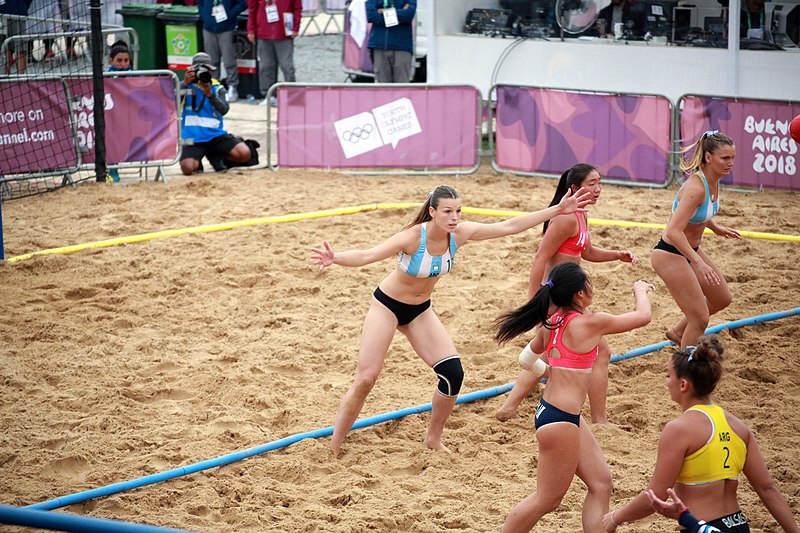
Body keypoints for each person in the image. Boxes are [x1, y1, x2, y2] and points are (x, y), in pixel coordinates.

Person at [311, 185, 593, 458]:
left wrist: (558, 209)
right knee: (367, 377)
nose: (454, 217)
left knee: (453, 374)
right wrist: (335, 258)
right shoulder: (412, 237)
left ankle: (433, 439)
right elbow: (368, 254)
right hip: (387, 307)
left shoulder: (459, 234)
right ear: (432, 212)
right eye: (447, 211)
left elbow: (509, 226)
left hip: (420, 311)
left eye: (458, 211)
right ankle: (335, 444)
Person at [493, 262, 653, 532]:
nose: (592, 285)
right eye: (588, 282)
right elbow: (643, 316)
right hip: (561, 420)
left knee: (601, 483)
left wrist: (551, 373)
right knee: (547, 499)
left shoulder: (551, 323)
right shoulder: (591, 322)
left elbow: (525, 359)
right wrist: (640, 290)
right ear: (580, 294)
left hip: (557, 413)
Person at [602, 336, 800, 533]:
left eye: (668, 375)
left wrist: (615, 517)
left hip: (704, 528)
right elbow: (767, 489)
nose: (666, 381)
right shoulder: (738, 426)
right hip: (738, 526)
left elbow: (655, 496)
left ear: (683, 385)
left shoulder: (679, 429)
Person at [495, 164, 637, 425]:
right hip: (557, 299)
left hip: (570, 299)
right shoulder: (566, 218)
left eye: (599, 182)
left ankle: (509, 406)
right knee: (598, 351)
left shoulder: (580, 214)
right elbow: (540, 257)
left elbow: (587, 252)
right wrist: (533, 300)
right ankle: (599, 419)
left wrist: (617, 255)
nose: (598, 189)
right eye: (591, 184)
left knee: (552, 352)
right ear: (573, 188)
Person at [651, 131, 740, 349]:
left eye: (733, 158)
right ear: (708, 158)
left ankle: (678, 331)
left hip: (690, 250)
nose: (731, 163)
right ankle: (685, 370)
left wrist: (715, 228)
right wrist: (697, 262)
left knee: (722, 299)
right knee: (700, 318)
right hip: (670, 253)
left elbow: (698, 214)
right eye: (725, 158)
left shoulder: (713, 181)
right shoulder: (696, 188)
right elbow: (673, 231)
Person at [179, 52, 251, 176]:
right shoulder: (185, 86)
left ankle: (216, 156)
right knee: (188, 168)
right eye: (199, 70)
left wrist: (210, 95)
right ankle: (199, 160)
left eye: (206, 70)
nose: (203, 74)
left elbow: (224, 110)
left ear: (211, 71)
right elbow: (170, 103)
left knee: (244, 154)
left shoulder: (217, 88)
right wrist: (184, 84)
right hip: (193, 138)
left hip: (215, 136)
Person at [246, 0, 302, 107]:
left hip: (284, 33)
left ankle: (292, 95)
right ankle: (269, 95)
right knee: (265, 66)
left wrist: (296, 26)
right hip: (263, 33)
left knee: (287, 66)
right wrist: (251, 29)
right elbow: (252, 8)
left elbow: (297, 7)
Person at [197, 0, 247, 102]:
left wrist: (229, 14)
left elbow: (243, 3)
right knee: (212, 61)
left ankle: (232, 87)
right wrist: (204, 15)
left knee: (229, 60)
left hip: (226, 28)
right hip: (208, 28)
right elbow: (199, 2)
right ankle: (213, 86)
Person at [365, 0, 416, 83]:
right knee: (382, 89)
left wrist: (381, 11)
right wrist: (398, 14)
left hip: (402, 46)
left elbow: (409, 14)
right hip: (379, 45)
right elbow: (371, 16)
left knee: (402, 88)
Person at [106, 40, 132, 183]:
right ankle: (112, 170)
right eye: (119, 61)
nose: (123, 64)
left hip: (130, 115)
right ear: (111, 61)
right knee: (112, 140)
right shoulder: (105, 76)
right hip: (112, 115)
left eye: (126, 61)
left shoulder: (136, 75)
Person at [0, 0, 31, 75]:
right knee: (3, 48)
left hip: (17, 12)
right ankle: (5, 78)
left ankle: (20, 79)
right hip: (5, 12)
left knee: (20, 48)